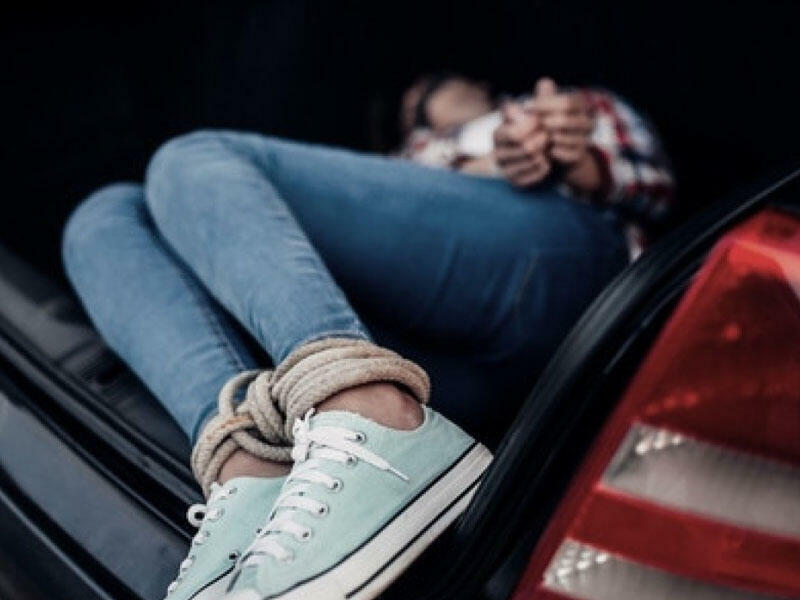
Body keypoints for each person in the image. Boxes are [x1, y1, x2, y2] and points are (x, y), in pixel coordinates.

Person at [61, 75, 673, 600]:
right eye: (412, 101)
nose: (420, 98)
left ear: (479, 84)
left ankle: (367, 407)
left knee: (188, 160)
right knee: (104, 216)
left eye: (433, 86)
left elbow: (651, 181)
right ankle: (254, 477)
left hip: (562, 279)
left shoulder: (554, 107)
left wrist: (573, 156)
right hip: (444, 373)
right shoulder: (404, 160)